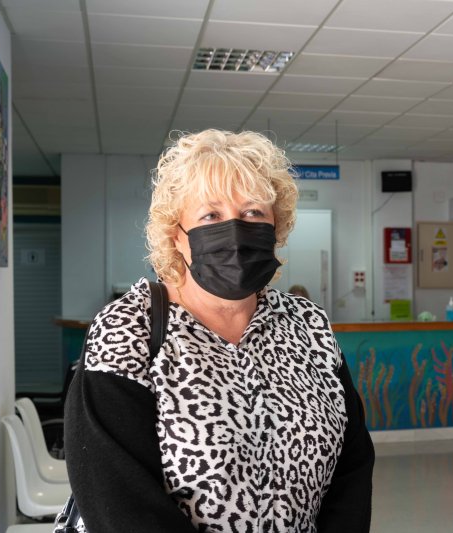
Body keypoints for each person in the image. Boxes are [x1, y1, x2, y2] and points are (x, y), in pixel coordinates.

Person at [62, 129, 374, 532]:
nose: (236, 230)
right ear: (177, 235)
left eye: (253, 213)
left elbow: (352, 464)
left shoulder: (309, 325)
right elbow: (118, 500)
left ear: (276, 226)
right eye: (211, 215)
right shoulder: (130, 328)